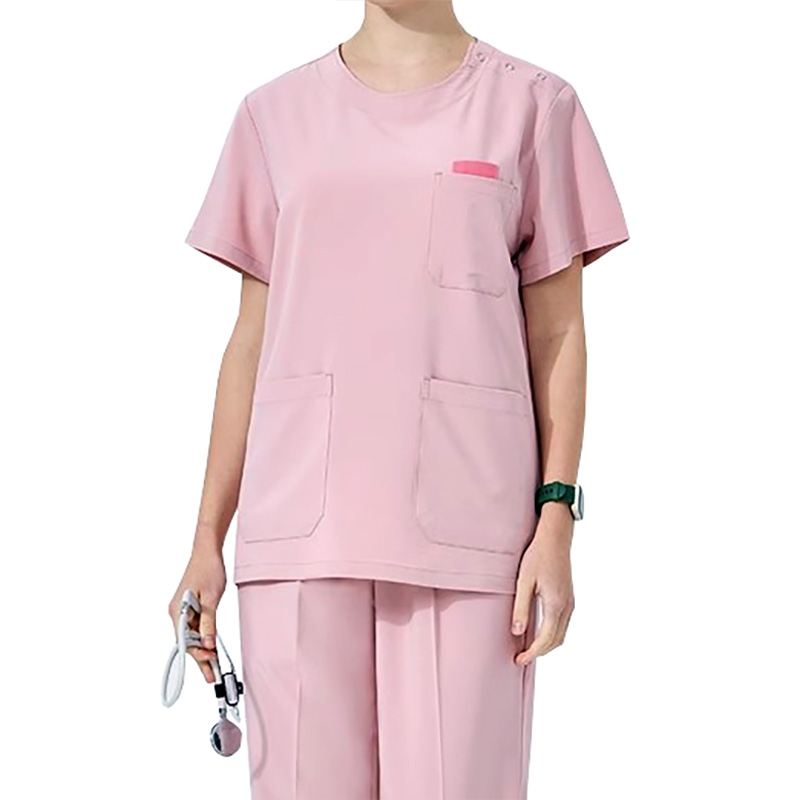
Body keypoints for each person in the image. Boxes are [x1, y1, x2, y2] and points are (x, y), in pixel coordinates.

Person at [168, 1, 629, 797]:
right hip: (299, 534)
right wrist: (206, 539)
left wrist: (557, 516)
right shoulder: (273, 116)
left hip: (471, 534)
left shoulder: (535, 107)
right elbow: (250, 339)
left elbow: (558, 332)